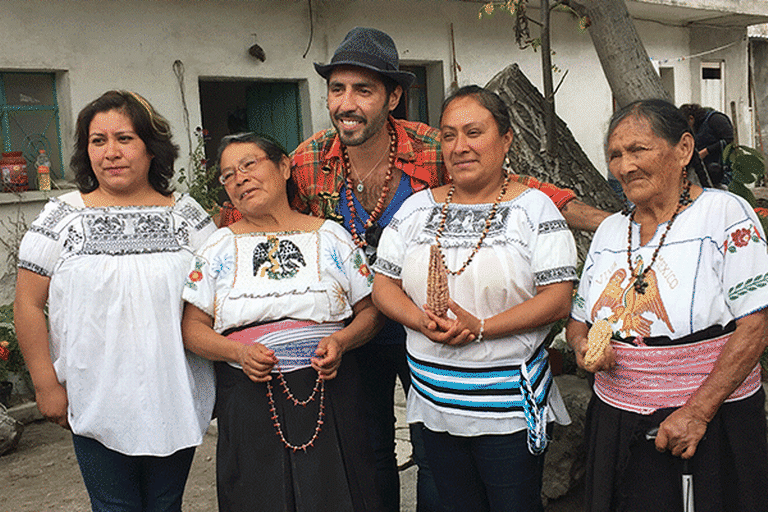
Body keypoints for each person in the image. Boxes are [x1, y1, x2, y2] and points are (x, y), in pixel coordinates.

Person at [372, 85, 577, 512]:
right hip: (434, 401)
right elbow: (383, 286)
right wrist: (419, 319)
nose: (460, 147)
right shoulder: (415, 209)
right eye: (448, 135)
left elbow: (558, 299)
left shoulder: (536, 210)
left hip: (505, 409)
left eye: (473, 132)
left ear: (506, 140)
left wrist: (481, 328)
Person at [14, 90, 216, 512]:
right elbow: (29, 304)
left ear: (151, 147)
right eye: (97, 141)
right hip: (95, 395)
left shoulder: (187, 217)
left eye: (124, 138)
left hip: (174, 392)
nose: (111, 153)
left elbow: (219, 296)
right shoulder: (62, 217)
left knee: (165, 504)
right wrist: (45, 384)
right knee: (113, 506)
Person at [567, 99, 768, 512]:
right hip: (617, 418)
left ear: (683, 149)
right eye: (615, 155)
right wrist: (583, 347)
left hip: (709, 420)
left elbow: (756, 324)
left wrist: (697, 412)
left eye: (638, 149)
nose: (625, 166)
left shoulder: (724, 214)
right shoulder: (609, 230)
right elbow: (578, 322)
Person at [180, 133, 383, 512]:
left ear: (285, 166)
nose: (239, 178)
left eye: (249, 165)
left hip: (329, 385)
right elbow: (192, 327)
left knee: (340, 490)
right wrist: (238, 352)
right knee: (259, 495)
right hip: (249, 389)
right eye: (227, 175)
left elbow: (371, 311)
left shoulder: (331, 236)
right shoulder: (217, 247)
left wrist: (342, 342)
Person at [679, 103, 734, 186]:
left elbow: (729, 140)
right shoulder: (696, 129)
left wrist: (706, 151)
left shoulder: (715, 119)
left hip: (721, 170)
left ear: (691, 119)